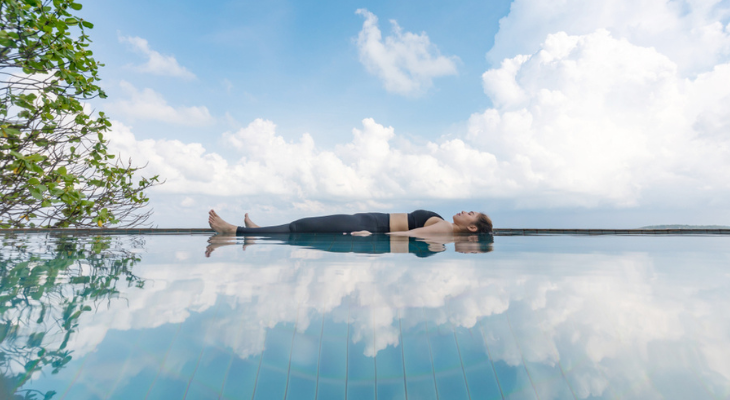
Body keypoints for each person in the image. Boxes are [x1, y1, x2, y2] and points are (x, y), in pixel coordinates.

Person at [207, 209, 492, 236]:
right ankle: (258, 231)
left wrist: (373, 235)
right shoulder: (446, 231)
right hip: (369, 222)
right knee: (302, 226)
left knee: (301, 227)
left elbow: (410, 235)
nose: (465, 211)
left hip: (370, 225)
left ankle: (234, 230)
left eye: (471, 214)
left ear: (472, 227)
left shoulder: (444, 228)